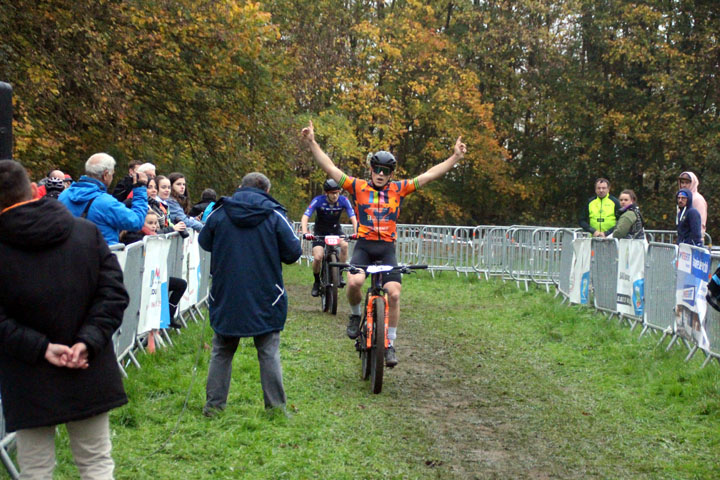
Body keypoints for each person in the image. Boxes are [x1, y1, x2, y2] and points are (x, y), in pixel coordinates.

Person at [0, 159, 128, 479]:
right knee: (96, 463)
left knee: (36, 470)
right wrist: (89, 340)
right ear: (33, 190)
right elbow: (113, 295)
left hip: (27, 372)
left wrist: (41, 348)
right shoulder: (87, 233)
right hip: (86, 364)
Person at [301, 120, 466, 368]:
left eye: (385, 171)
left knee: (395, 294)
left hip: (386, 249)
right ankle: (356, 316)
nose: (380, 174)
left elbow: (429, 175)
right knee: (355, 281)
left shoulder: (399, 189)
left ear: (391, 174)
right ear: (371, 169)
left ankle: (389, 342)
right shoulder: (357, 186)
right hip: (365, 247)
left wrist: (454, 158)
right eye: (377, 169)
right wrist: (312, 142)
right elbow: (330, 167)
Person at [199, 172, 302, 415]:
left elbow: (204, 242)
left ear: (239, 187)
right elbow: (293, 252)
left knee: (222, 350)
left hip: (226, 293)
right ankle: (276, 408)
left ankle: (213, 407)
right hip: (266, 294)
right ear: (266, 191)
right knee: (268, 351)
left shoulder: (219, 212)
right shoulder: (275, 214)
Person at [59, 153, 148, 245]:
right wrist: (140, 188)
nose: (112, 177)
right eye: (112, 174)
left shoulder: (64, 196)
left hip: (68, 255)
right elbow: (136, 221)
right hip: (100, 255)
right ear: (105, 175)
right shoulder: (106, 202)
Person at [120, 211, 188, 328]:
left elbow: (157, 235)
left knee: (180, 284)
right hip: (139, 280)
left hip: (153, 277)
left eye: (156, 223)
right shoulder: (133, 236)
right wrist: (171, 229)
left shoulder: (153, 235)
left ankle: (169, 316)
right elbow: (150, 237)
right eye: (150, 223)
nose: (154, 226)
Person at [301, 178, 358, 296]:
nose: (335, 195)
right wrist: (305, 232)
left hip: (335, 230)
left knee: (345, 245)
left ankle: (340, 274)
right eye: (332, 193)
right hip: (320, 231)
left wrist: (357, 232)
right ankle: (316, 282)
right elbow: (305, 216)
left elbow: (353, 217)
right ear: (326, 193)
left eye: (337, 192)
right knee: (317, 257)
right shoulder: (318, 200)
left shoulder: (344, 200)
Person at [677, 171, 707, 236]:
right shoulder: (681, 198)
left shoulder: (697, 199)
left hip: (694, 240)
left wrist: (698, 239)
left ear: (693, 183)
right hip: (683, 238)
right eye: (682, 182)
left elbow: (701, 221)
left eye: (687, 183)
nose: (684, 185)